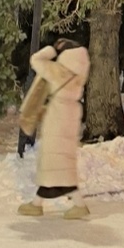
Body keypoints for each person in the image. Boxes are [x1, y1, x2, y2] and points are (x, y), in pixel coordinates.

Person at [17, 39, 91, 219]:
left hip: (58, 116)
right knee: (59, 163)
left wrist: (52, 49)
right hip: (70, 113)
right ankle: (37, 203)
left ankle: (76, 205)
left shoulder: (60, 71)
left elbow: (36, 60)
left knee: (55, 163)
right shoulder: (78, 72)